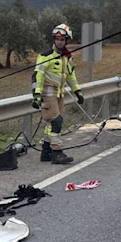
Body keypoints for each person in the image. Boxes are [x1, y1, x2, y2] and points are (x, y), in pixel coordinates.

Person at [31, 24, 84, 165]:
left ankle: (46, 151)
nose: (59, 41)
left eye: (62, 39)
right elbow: (38, 75)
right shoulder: (45, 56)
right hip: (48, 93)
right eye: (57, 39)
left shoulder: (66, 58)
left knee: (52, 122)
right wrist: (36, 95)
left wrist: (77, 91)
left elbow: (71, 76)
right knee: (56, 121)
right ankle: (57, 153)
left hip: (59, 93)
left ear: (67, 41)